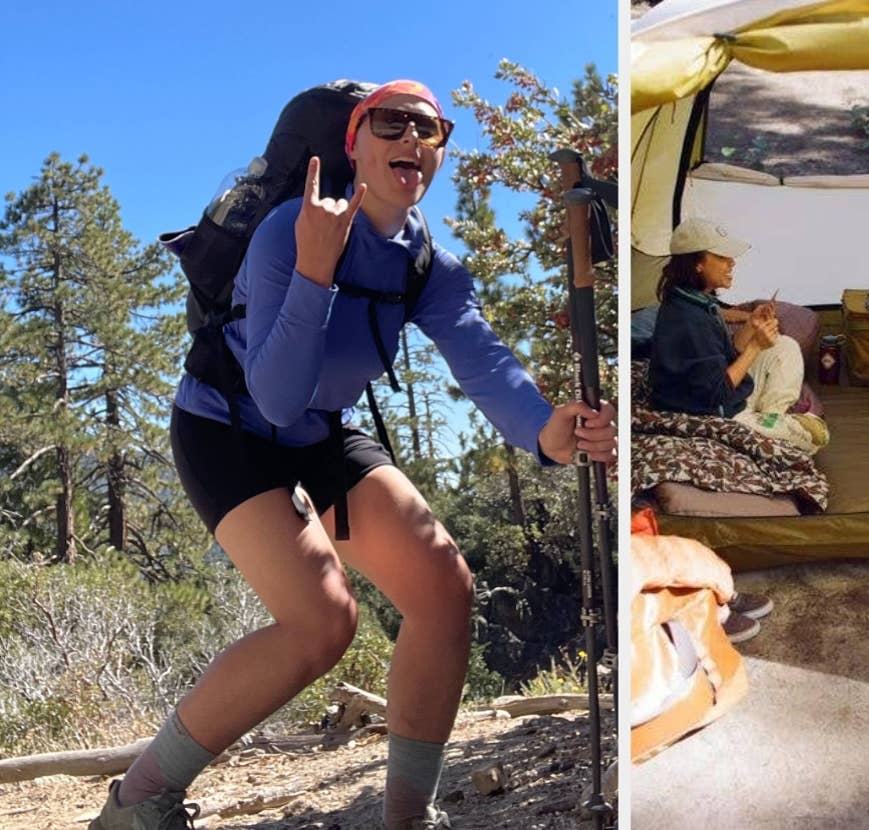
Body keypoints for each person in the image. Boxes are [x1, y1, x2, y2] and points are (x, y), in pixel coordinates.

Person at [90, 80, 617, 830]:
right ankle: (136, 802)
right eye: (390, 123)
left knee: (443, 588)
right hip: (224, 425)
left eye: (430, 128)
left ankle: (405, 818)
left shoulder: (425, 261)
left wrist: (546, 431)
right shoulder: (285, 232)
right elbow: (274, 394)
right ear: (354, 144)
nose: (412, 138)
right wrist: (314, 267)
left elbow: (482, 361)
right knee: (322, 621)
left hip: (318, 429)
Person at [647, 216, 829, 453]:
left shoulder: (697, 300)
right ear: (696, 264)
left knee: (784, 346)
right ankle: (763, 427)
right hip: (711, 410)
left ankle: (770, 419)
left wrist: (751, 326)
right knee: (818, 435)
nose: (732, 263)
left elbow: (724, 355)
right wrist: (755, 346)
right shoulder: (687, 318)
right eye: (722, 257)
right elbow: (718, 391)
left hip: (725, 394)